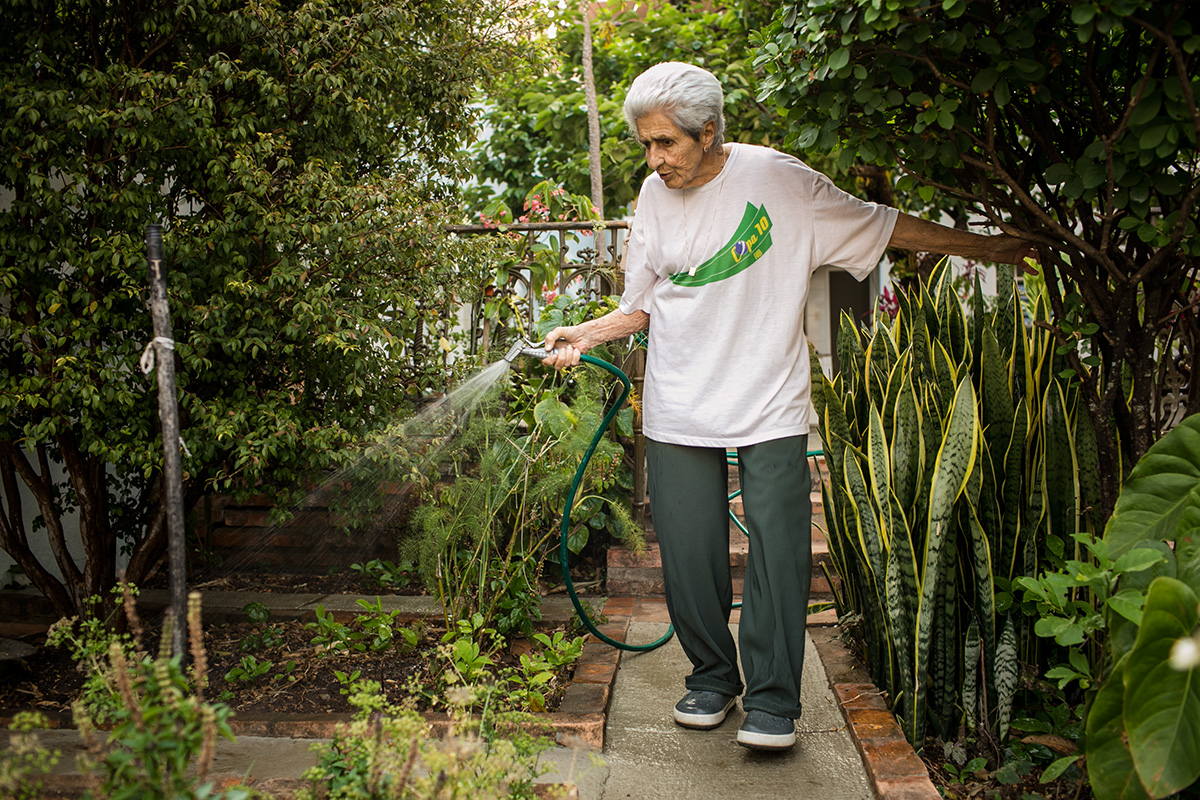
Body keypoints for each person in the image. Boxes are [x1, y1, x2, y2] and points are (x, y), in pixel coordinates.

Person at [541, 62, 1033, 751]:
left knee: (778, 554)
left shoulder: (781, 182)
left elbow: (883, 226)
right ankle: (711, 679)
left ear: (707, 132)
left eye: (666, 144)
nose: (655, 160)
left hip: (768, 398)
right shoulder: (654, 196)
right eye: (646, 145)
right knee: (689, 551)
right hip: (680, 399)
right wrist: (584, 332)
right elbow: (641, 303)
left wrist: (991, 247)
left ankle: (774, 700)